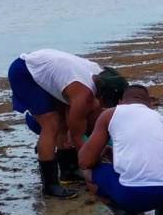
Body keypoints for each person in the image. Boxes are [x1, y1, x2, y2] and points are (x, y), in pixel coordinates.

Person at [8, 49, 128, 198]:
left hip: (53, 71)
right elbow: (77, 137)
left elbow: (80, 122)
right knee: (51, 123)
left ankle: (68, 171)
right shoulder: (84, 96)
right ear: (103, 94)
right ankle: (50, 185)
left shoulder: (101, 77)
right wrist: (92, 164)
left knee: (64, 120)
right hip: (26, 72)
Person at [79, 85, 163, 215]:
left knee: (88, 174)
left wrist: (101, 152)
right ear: (149, 103)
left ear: (121, 102)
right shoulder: (162, 119)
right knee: (162, 169)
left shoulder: (110, 114)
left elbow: (84, 161)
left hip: (134, 196)